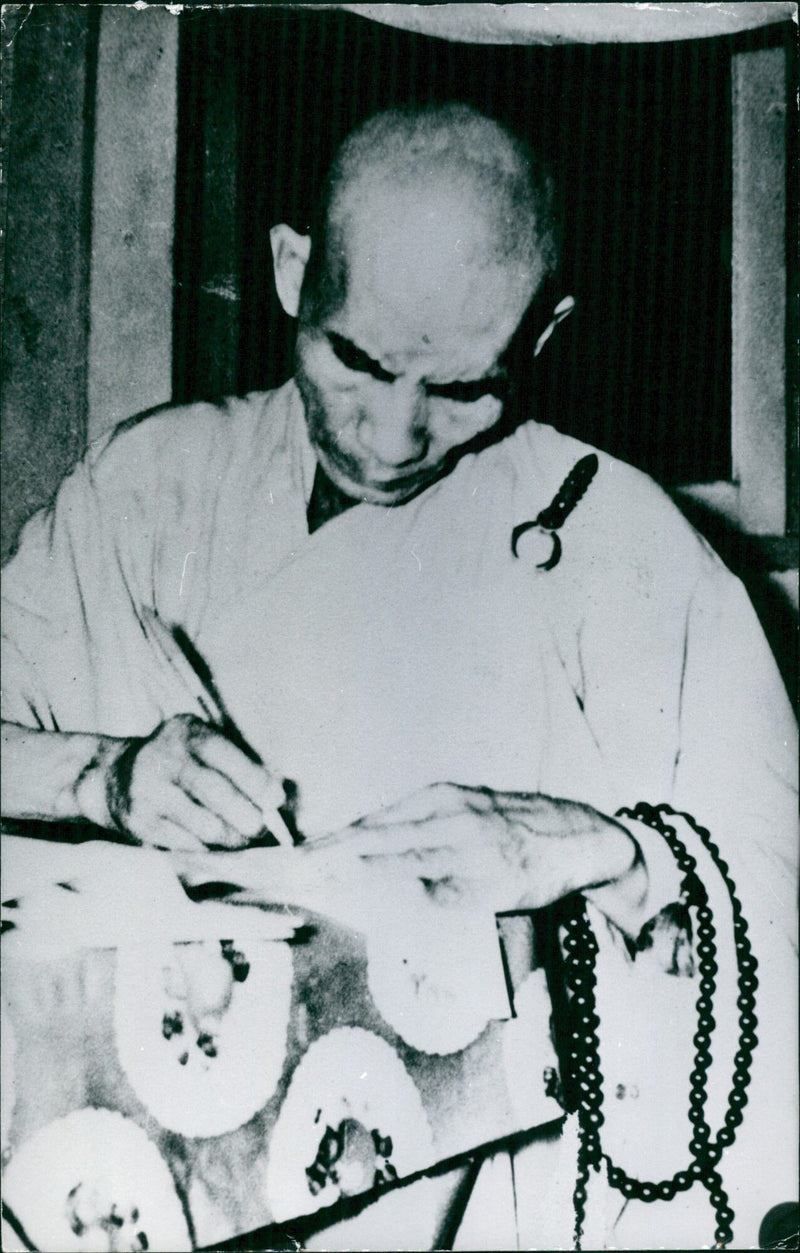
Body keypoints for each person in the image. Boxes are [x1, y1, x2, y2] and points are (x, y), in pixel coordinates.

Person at [1, 103, 796, 1248]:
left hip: (493, 1202)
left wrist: (597, 846)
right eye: (357, 360)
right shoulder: (150, 490)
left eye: (464, 386)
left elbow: (771, 886)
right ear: (290, 272)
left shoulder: (612, 536)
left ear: (542, 334)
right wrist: (105, 777)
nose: (392, 433)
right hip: (161, 1170)